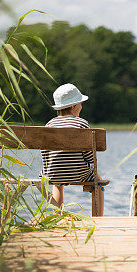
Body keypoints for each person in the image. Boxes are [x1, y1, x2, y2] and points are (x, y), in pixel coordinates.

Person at [41, 82, 105, 215]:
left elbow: (46, 155)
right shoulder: (82, 123)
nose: (81, 107)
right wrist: (93, 171)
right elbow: (89, 157)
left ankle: (56, 217)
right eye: (80, 103)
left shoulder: (49, 125)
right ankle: (99, 219)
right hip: (78, 173)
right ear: (74, 106)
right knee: (98, 182)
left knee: (57, 184)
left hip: (53, 174)